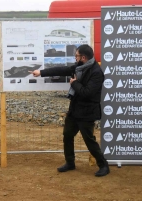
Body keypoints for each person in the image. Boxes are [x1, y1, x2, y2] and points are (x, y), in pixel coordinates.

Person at [30, 44, 110, 177]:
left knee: (89, 140)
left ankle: (103, 165)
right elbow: (62, 70)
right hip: (74, 110)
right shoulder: (79, 67)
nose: (75, 58)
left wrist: (74, 83)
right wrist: (41, 72)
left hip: (87, 112)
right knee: (67, 135)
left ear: (83, 57)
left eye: (77, 55)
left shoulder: (96, 72)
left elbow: (87, 92)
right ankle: (70, 162)